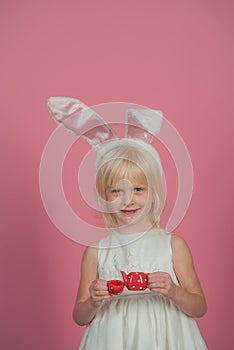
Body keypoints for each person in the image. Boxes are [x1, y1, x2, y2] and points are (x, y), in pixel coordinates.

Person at [47, 97, 208, 349]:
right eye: (116, 191)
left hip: (165, 339)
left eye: (138, 189)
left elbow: (199, 307)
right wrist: (92, 301)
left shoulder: (173, 245)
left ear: (154, 191)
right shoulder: (96, 251)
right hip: (111, 340)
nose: (128, 200)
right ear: (103, 196)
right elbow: (79, 316)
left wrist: (174, 291)